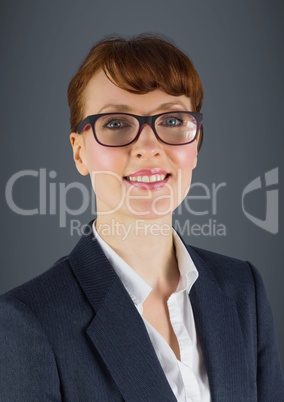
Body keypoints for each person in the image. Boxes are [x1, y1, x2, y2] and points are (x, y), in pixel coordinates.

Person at [0, 34, 283, 402]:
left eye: (171, 120)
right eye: (116, 123)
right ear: (79, 152)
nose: (148, 148)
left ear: (195, 145)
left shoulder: (243, 291)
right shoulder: (27, 321)